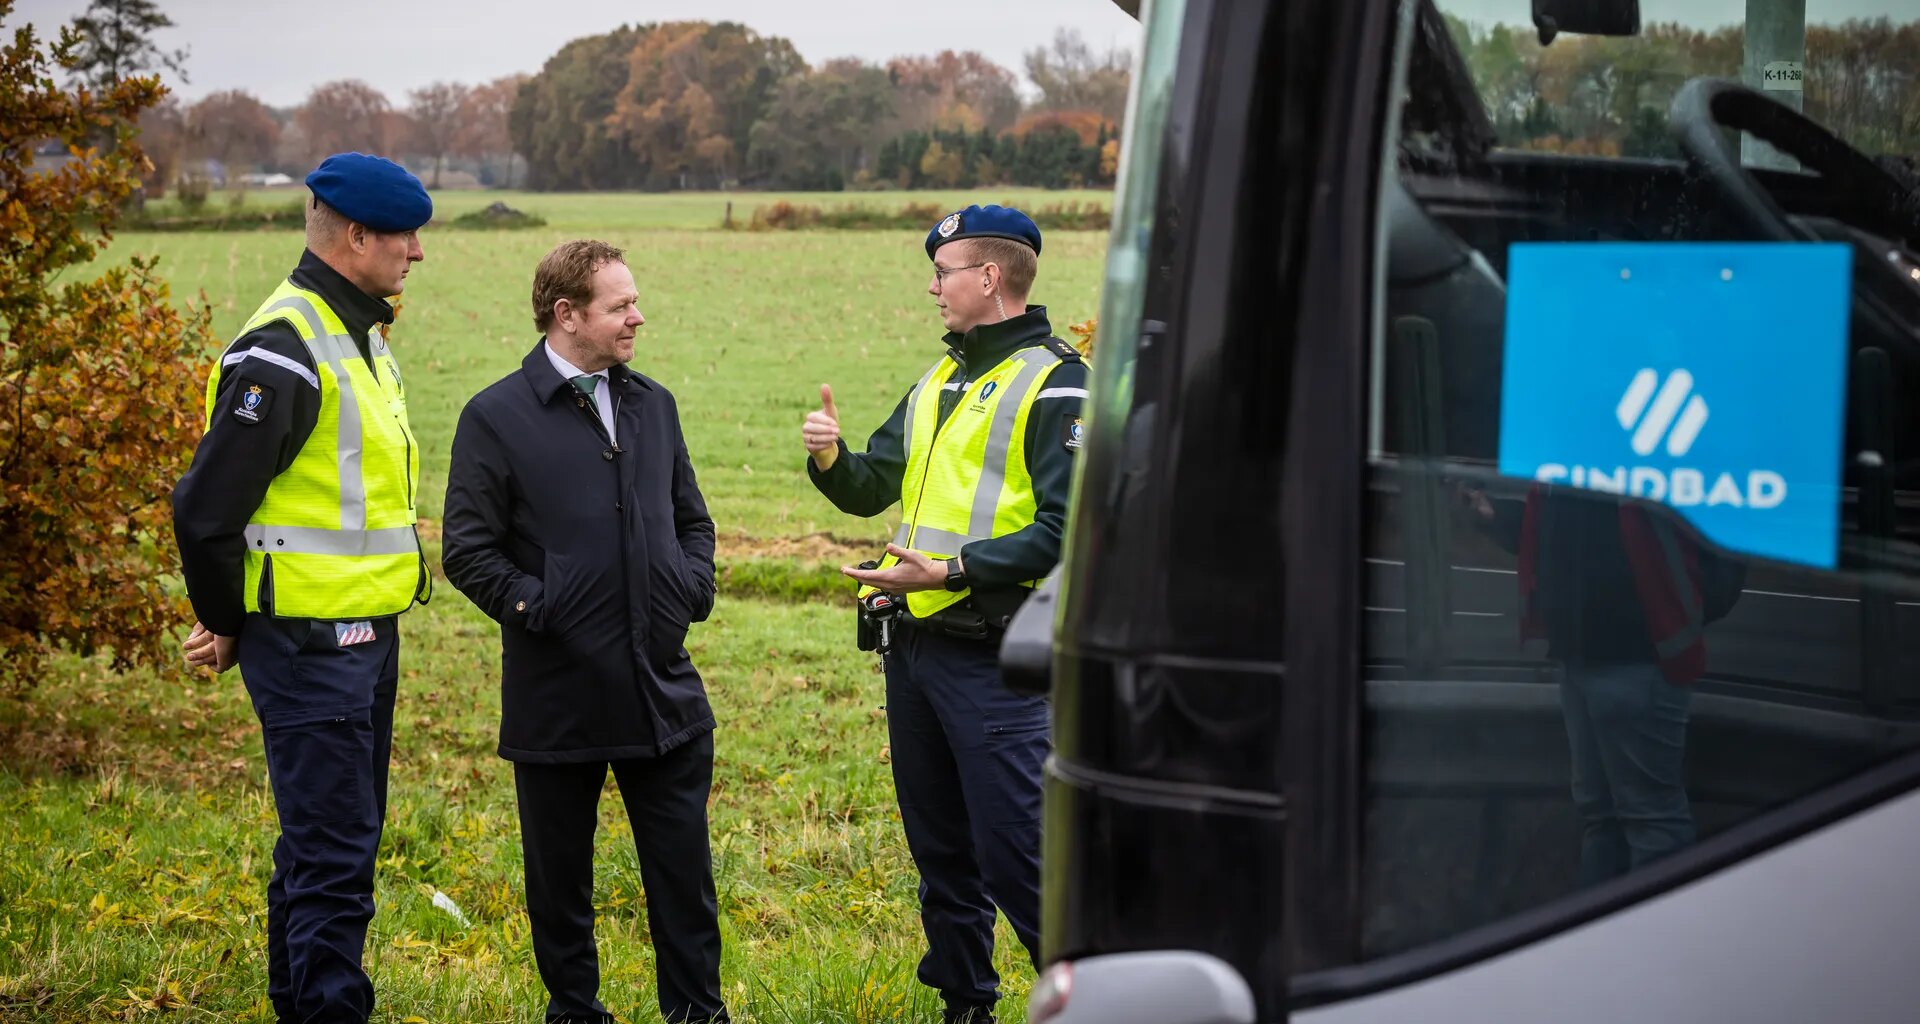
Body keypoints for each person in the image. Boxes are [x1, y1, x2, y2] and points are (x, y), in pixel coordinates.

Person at [801, 205, 1089, 1024]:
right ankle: (966, 1003)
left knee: (1018, 857)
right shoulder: (940, 379)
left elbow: (1071, 531)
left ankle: (1090, 996)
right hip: (916, 654)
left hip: (996, 663)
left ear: (989, 278)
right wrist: (828, 454)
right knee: (942, 854)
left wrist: (954, 570)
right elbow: (869, 487)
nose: (934, 287)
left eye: (944, 272)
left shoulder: (1058, 381)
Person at [171, 152, 432, 1021]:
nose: (419, 253)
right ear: (356, 236)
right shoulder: (283, 349)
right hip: (311, 648)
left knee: (326, 849)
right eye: (406, 236)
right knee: (334, 859)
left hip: (365, 636)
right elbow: (206, 511)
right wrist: (228, 619)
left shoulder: (357, 333)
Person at [440, 239, 727, 1024]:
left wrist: (689, 589)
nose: (639, 316)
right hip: (556, 694)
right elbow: (466, 550)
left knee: (684, 880)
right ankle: (574, 1011)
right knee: (559, 883)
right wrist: (543, 610)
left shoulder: (652, 404)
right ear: (567, 315)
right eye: (620, 305)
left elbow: (691, 519)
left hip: (662, 692)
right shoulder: (495, 416)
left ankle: (699, 1013)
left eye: (634, 301)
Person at [1458, 481, 1737, 886]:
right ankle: (1602, 932)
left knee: (1648, 821)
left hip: (1635, 656)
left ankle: (1654, 940)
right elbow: (1557, 539)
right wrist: (1497, 515)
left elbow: (1710, 538)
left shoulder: (1630, 455)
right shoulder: (1578, 460)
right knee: (1605, 818)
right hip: (1580, 654)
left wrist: (1688, 607)